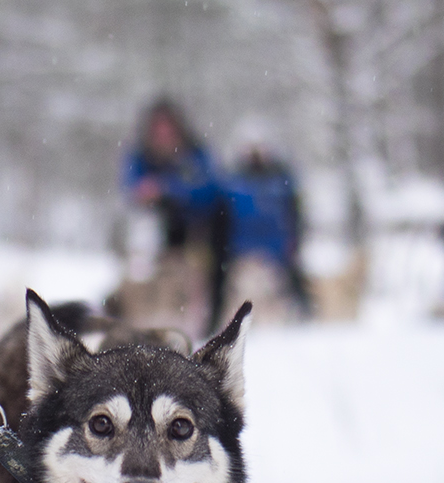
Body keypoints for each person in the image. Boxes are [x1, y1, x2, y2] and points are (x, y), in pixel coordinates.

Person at [120, 98, 225, 331]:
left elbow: (209, 189)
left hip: (197, 225)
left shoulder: (195, 153)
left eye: (168, 127)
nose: (163, 134)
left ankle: (200, 319)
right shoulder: (139, 156)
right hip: (154, 225)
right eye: (158, 128)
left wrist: (168, 190)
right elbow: (129, 187)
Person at [220, 127, 311, 319]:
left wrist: (292, 246)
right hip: (242, 257)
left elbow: (295, 219)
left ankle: (305, 316)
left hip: (277, 257)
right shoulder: (231, 185)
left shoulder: (282, 182)